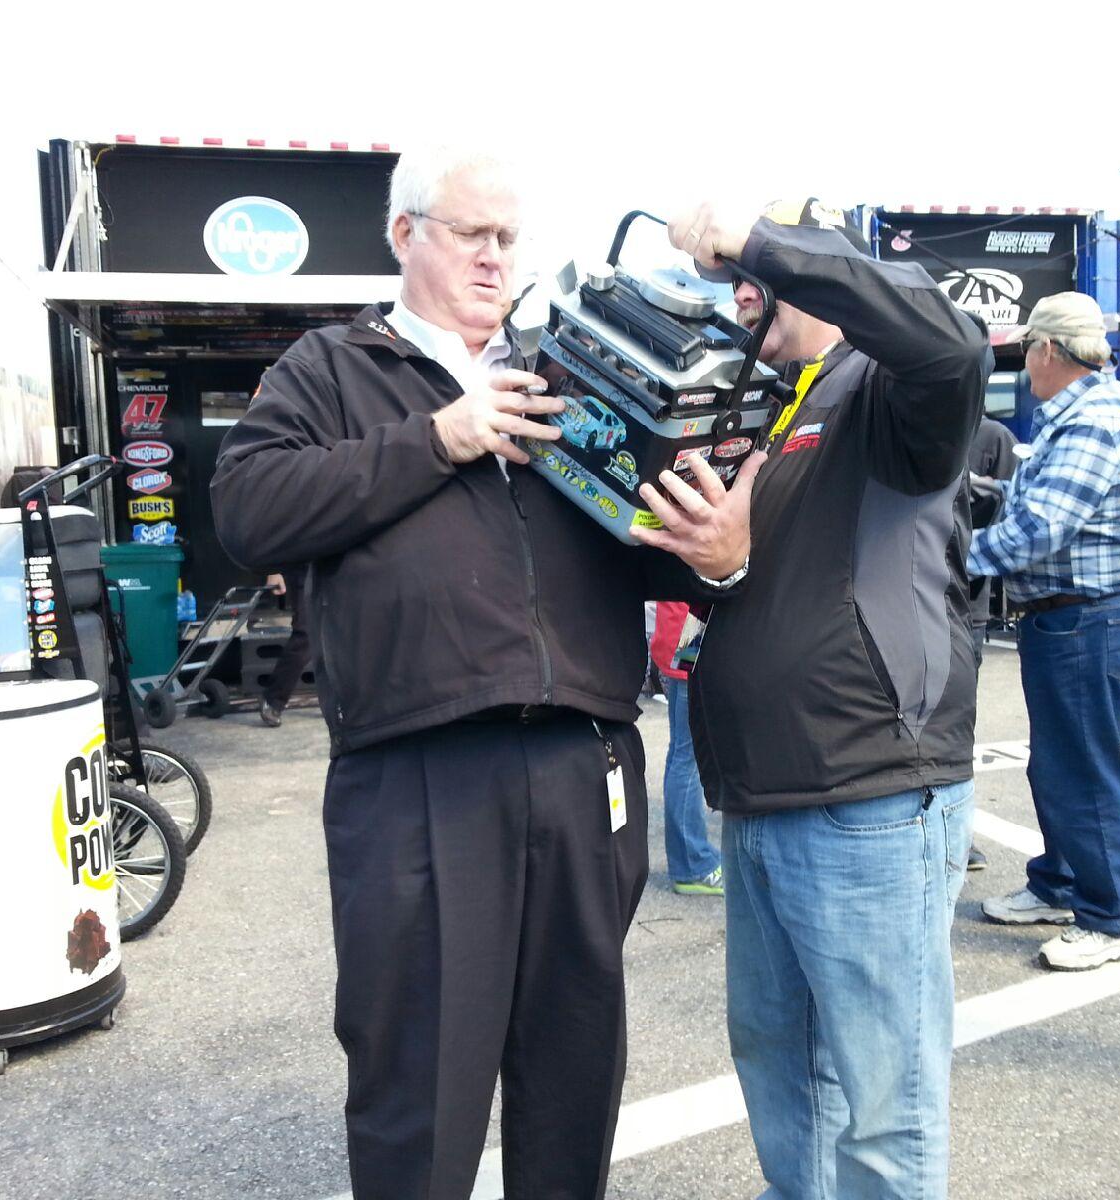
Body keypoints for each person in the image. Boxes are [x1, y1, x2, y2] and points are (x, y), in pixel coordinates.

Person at [209, 146, 748, 1199]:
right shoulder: (333, 367)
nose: (495, 258)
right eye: (471, 234)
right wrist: (440, 437)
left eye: (508, 238)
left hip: (584, 760)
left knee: (574, 1066)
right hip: (420, 770)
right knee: (419, 1076)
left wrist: (715, 556)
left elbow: (642, 539)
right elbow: (247, 510)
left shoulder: (573, 368)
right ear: (405, 234)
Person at [635, 197, 986, 1200]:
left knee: (883, 1097)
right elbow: (769, 576)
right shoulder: (781, 400)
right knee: (779, 1059)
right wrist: (716, 562)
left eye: (767, 279)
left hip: (867, 789)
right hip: (764, 791)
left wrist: (760, 242)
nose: (747, 293)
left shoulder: (890, 384)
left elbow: (952, 344)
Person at [971, 292, 1120, 972]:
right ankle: (1059, 883)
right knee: (1058, 761)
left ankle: (1109, 919)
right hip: (1074, 614)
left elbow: (1044, 527)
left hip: (1090, 615)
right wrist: (986, 494)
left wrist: (949, 556)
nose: (1024, 364)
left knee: (1081, 768)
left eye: (1027, 350)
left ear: (1047, 349)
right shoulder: (1079, 412)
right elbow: (1037, 504)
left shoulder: (1095, 418)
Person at [965, 415, 1019, 872]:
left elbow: (1012, 515)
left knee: (956, 724)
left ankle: (957, 834)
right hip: (898, 599)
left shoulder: (994, 437)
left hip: (965, 603)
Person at [649, 601, 721, 895]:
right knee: (687, 760)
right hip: (691, 633)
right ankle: (693, 865)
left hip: (681, 635)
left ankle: (688, 860)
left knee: (681, 754)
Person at [258, 568, 312, 727]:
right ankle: (273, 699)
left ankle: (344, 704)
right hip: (306, 568)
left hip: (341, 569)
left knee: (342, 633)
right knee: (306, 636)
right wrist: (273, 571)